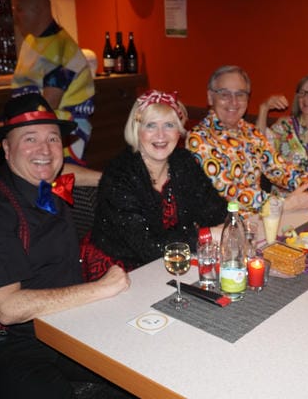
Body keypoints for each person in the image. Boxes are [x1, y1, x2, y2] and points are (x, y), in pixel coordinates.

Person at [0, 93, 130, 398]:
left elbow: (70, 173)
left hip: (67, 328)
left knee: (139, 371)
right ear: (6, 149)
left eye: (52, 139)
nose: (45, 150)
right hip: (9, 346)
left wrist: (115, 181)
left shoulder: (49, 184)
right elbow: (7, 308)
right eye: (30, 139)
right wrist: (101, 288)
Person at [81, 90, 228, 281]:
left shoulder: (183, 162)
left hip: (171, 259)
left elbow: (215, 210)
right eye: (151, 125)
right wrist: (207, 235)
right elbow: (147, 246)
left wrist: (229, 224)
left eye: (169, 125)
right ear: (137, 130)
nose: (161, 135)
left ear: (178, 130)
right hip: (118, 270)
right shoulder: (119, 175)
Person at [185, 65, 308, 213]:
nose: (234, 102)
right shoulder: (199, 139)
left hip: (259, 219)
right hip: (224, 224)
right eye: (225, 94)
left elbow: (278, 167)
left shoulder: (250, 131)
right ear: (210, 97)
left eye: (240, 94)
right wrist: (283, 204)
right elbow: (229, 193)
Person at [0, 0, 95, 166]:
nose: (15, 17)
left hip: (60, 132)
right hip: (36, 125)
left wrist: (6, 123)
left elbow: (47, 104)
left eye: (19, 9)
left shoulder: (61, 49)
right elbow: (35, 76)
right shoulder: (33, 41)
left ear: (39, 9)